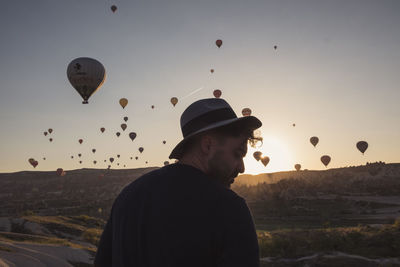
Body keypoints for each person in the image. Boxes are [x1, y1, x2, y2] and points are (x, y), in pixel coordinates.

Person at [94, 98, 262, 267]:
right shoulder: (229, 208)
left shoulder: (127, 196)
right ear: (208, 145)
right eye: (238, 153)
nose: (242, 167)